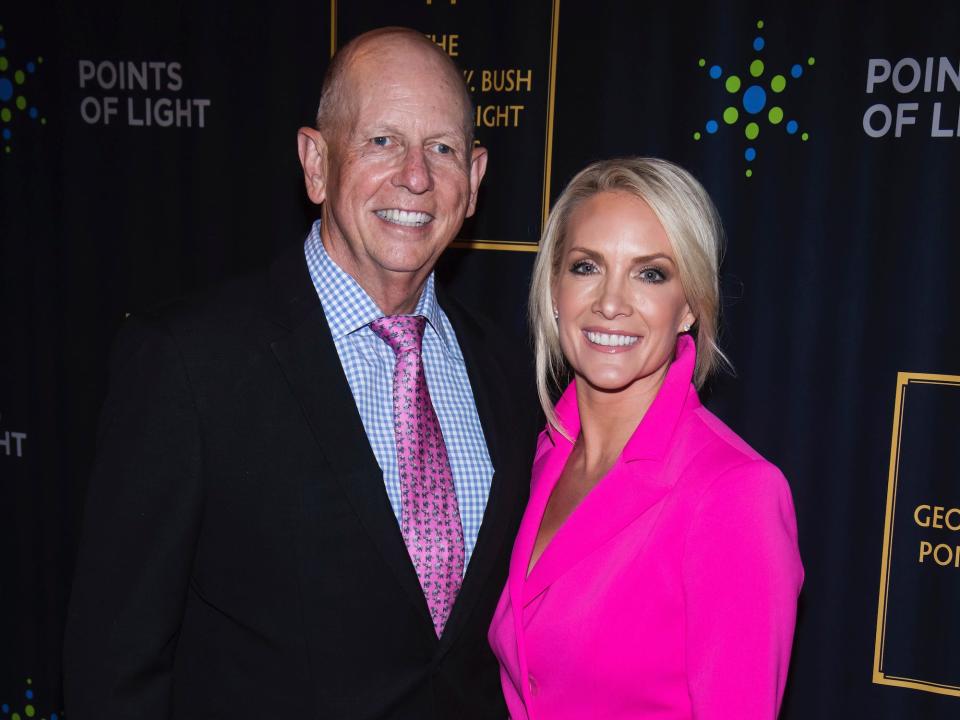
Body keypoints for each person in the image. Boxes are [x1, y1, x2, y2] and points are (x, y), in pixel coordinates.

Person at [64, 27, 539, 719]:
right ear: (316, 163)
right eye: (381, 141)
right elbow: (113, 668)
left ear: (474, 180)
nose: (415, 175)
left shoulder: (509, 373)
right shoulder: (189, 364)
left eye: (442, 148)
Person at [488, 157, 804, 719]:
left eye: (650, 273)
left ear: (689, 306)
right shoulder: (540, 457)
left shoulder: (734, 494)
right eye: (586, 267)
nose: (611, 302)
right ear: (554, 291)